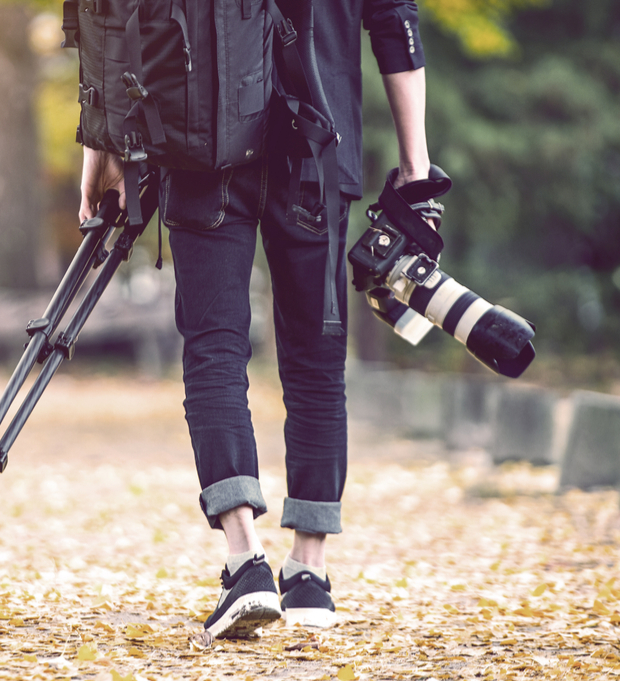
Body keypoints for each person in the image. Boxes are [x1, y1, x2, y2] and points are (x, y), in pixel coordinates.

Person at [78, 0, 431, 641]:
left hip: (199, 149)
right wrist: (416, 169)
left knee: (214, 347)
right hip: (321, 155)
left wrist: (102, 154)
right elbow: (394, 23)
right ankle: (310, 574)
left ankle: (245, 563)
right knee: (317, 358)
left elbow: (116, 21)